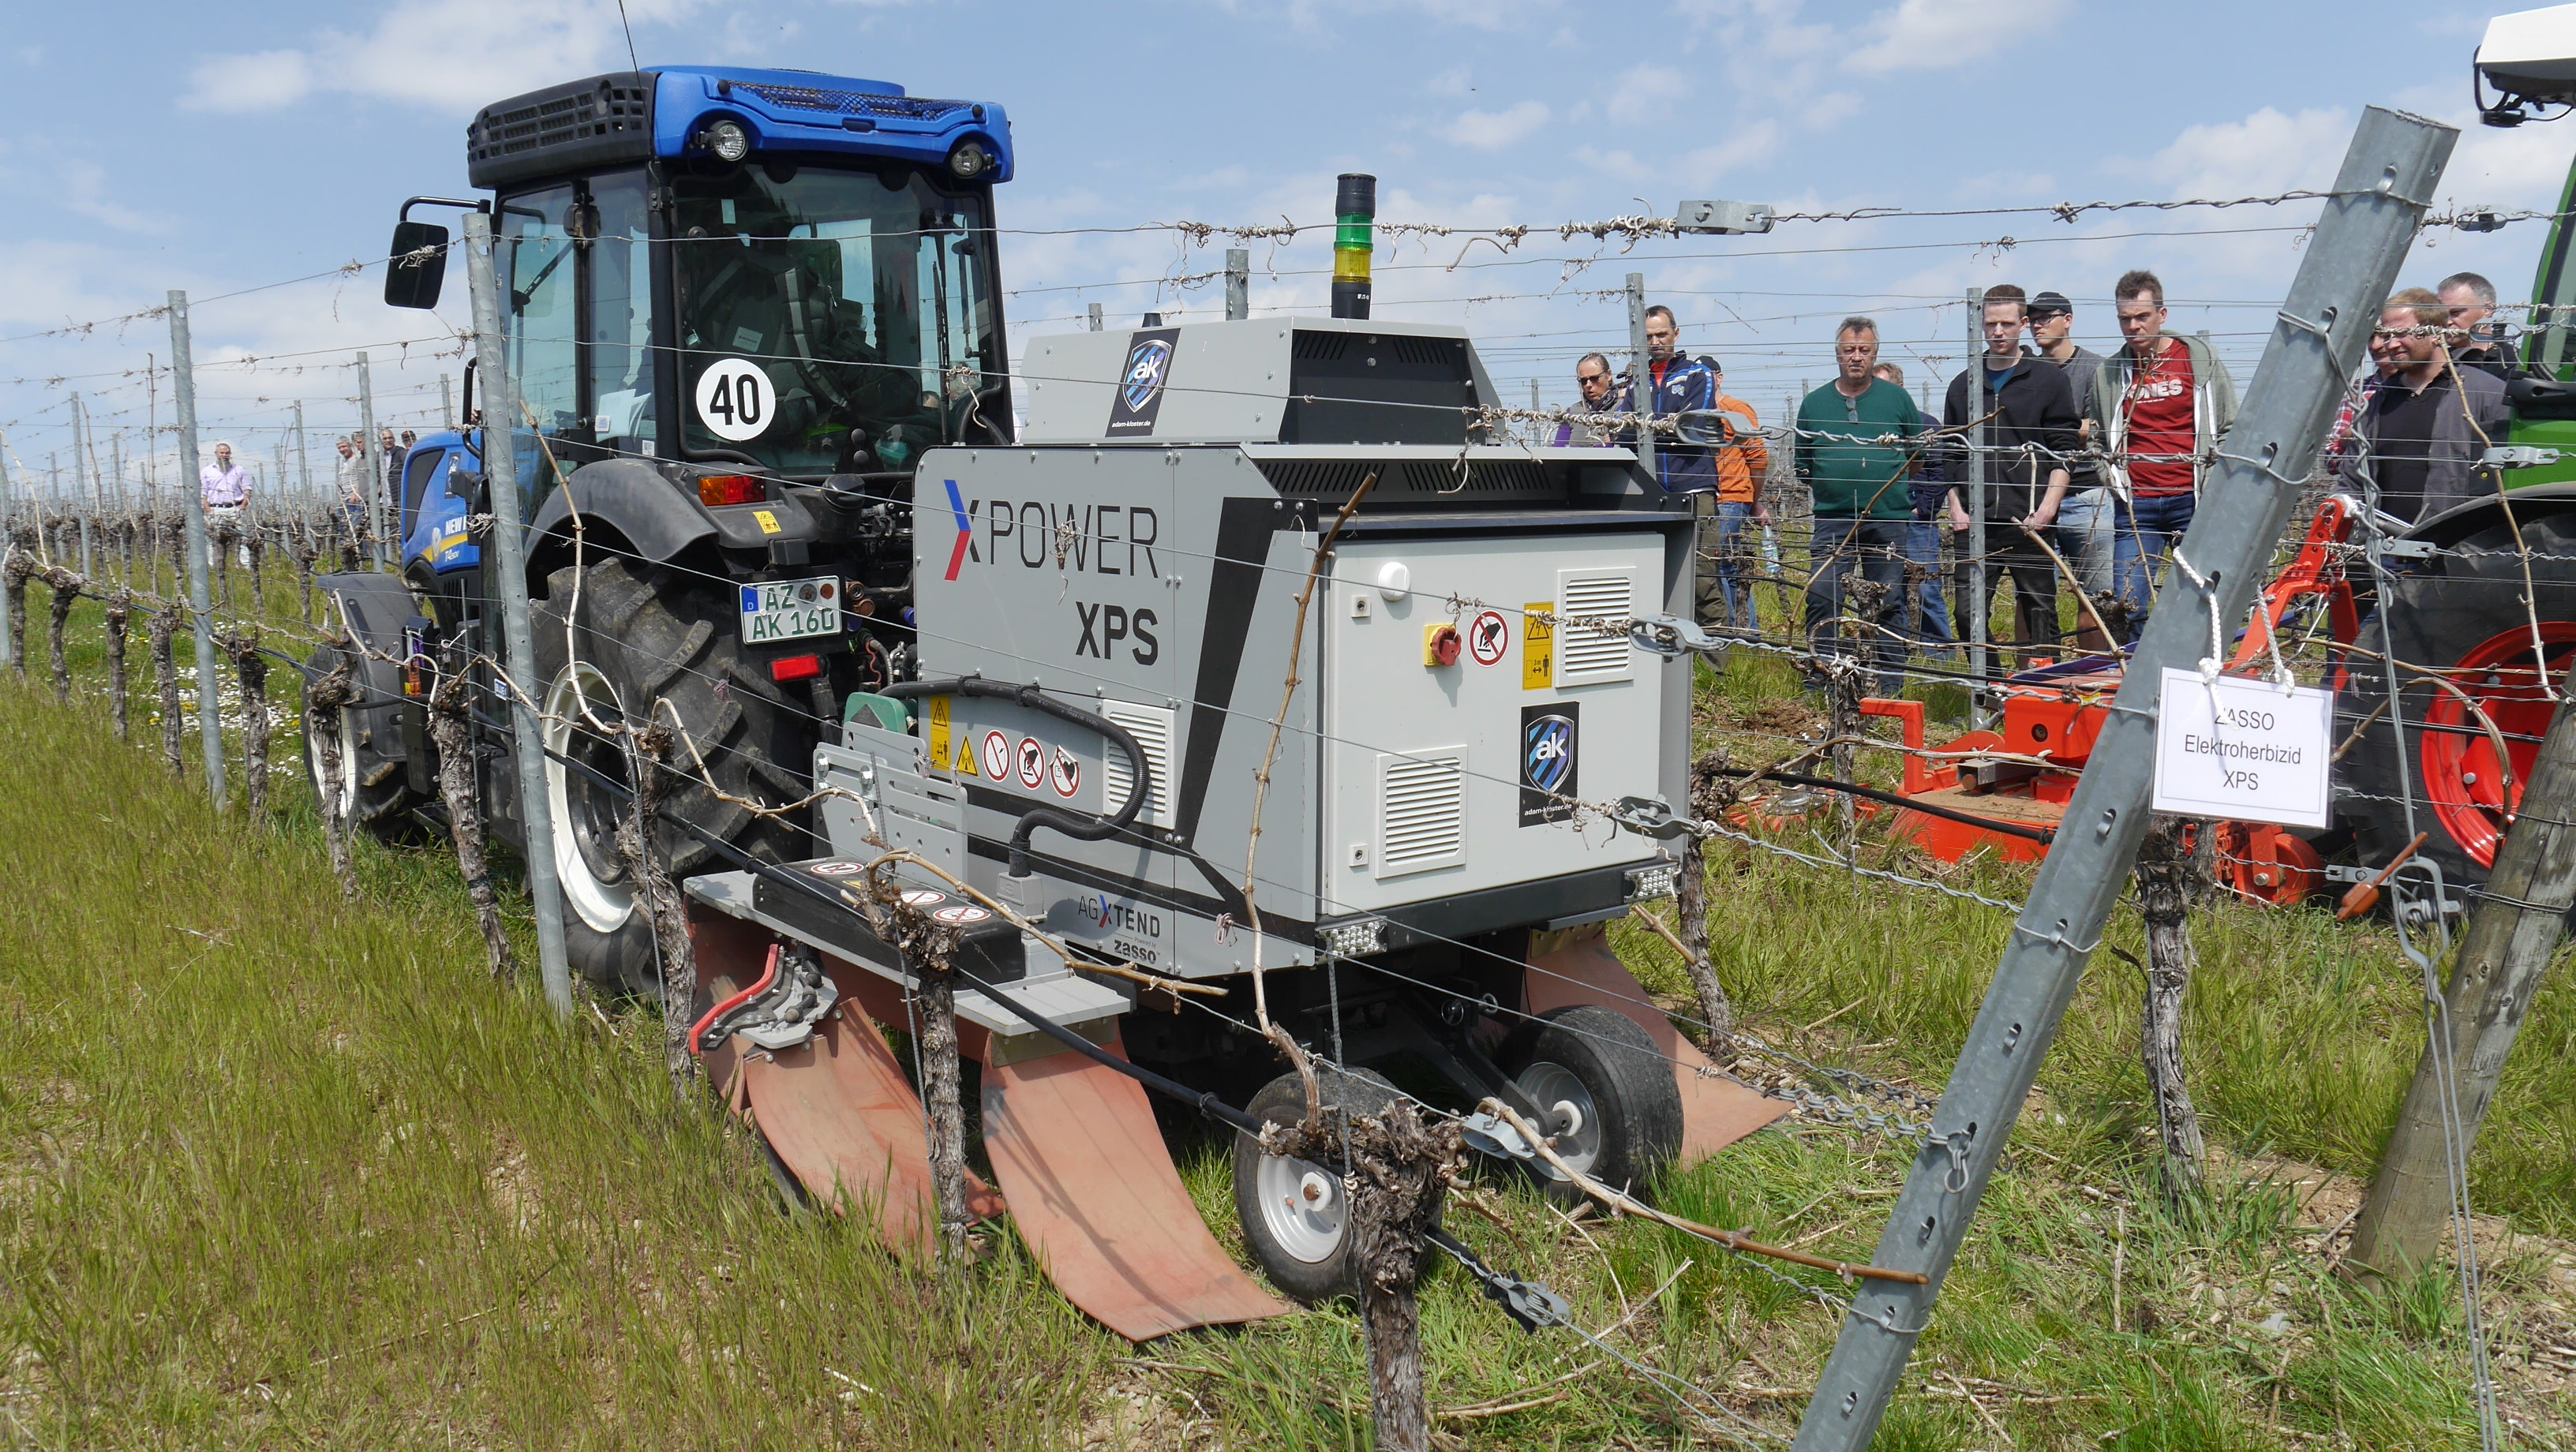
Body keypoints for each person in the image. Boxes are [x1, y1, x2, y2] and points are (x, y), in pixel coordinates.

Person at [1936, 286, 2079, 668]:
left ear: (2024, 324)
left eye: (2007, 323)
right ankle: (1990, 691)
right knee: (1968, 613)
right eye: (1990, 324)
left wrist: (2048, 509)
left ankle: (2040, 694)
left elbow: (2063, 450)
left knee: (2040, 613)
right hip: (1975, 521)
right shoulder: (1962, 384)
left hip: (2029, 519)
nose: (1998, 332)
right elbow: (1951, 453)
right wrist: (1956, 508)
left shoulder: (2049, 380)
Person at [2093, 270, 2238, 640]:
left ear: (2163, 314)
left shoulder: (2198, 359)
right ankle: (2141, 680)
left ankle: (2195, 672)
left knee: (2200, 599)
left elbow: (2229, 425)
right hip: (2136, 504)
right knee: (2130, 604)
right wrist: (2109, 478)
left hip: (2191, 500)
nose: (2134, 327)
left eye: (2142, 317)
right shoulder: (2109, 374)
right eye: (2125, 319)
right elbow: (2097, 438)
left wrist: (2215, 479)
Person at [1793, 317, 1923, 694]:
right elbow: (1804, 465)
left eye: (1864, 350)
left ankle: (1888, 686)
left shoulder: (1897, 399)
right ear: (1837, 354)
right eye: (1849, 349)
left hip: (1888, 518)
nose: (1856, 357)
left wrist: (1883, 484)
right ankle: (1823, 677)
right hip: (1833, 518)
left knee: (1890, 599)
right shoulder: (1815, 403)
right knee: (1823, 595)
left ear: (1875, 353)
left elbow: (1916, 455)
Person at [2352, 287, 2509, 526]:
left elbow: (2505, 479)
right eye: (2386, 335)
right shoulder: (2375, 404)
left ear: (2437, 333)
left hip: (2457, 548)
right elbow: (2352, 480)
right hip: (2379, 549)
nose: (2391, 345)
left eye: (2403, 333)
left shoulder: (2486, 394)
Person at [2026, 290, 2115, 649]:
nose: (2037, 325)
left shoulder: (2098, 370)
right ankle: (2038, 679)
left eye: (2046, 317)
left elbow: (2104, 427)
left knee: (2097, 597)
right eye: (2033, 319)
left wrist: (2050, 427)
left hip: (2086, 493)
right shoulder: (2026, 371)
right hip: (2035, 494)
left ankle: (2089, 677)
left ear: (2069, 320)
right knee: (2031, 595)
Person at [1870, 361, 1953, 656]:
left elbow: (1940, 471)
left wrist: (1923, 509)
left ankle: (1939, 655)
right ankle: (1896, 652)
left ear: (1900, 389)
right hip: (1882, 519)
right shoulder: (1871, 427)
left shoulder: (1925, 424)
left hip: (1916, 521)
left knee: (1928, 589)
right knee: (1888, 589)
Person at [1694, 357, 1772, 637]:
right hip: (1706, 497)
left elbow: (1758, 457)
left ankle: (1746, 631)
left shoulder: (1735, 410)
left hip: (1730, 496)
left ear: (1720, 377)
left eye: (1708, 374)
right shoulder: (1693, 413)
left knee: (1724, 563)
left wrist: (1753, 500)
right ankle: (1729, 630)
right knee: (1711, 564)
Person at [2439, 271, 2516, 379]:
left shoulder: (2513, 360)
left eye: (2456, 313)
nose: (2447, 322)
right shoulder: (2436, 362)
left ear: (2487, 309)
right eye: (2442, 314)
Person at [1552, 353, 1633, 446]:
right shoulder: (1572, 413)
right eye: (1583, 381)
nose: (1588, 385)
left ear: (1609, 375)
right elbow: (1559, 449)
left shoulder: (1623, 407)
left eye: (1594, 378)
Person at [200, 441, 251, 568]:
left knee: (243, 538)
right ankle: (214, 566)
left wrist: (242, 506)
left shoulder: (239, 470)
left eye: (227, 453)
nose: (225, 455)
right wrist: (208, 510)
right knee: (214, 539)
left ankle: (245, 566)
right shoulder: (207, 471)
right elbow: (203, 492)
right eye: (222, 453)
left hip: (235, 509)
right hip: (215, 509)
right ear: (216, 454)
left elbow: (247, 489)